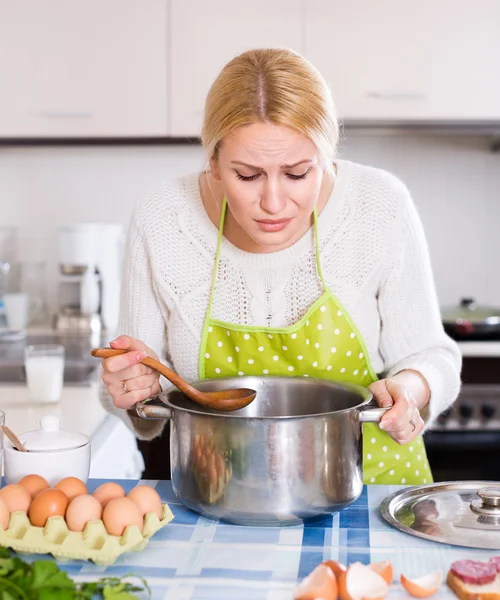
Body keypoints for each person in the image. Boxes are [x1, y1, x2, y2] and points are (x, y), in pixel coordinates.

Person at [98, 48, 461, 484]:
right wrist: (132, 390)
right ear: (212, 163)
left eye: (297, 173)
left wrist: (411, 387)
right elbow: (141, 401)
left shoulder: (378, 205)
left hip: (371, 494)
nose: (272, 202)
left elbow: (432, 355)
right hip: (224, 496)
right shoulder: (162, 217)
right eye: (248, 175)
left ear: (325, 158)